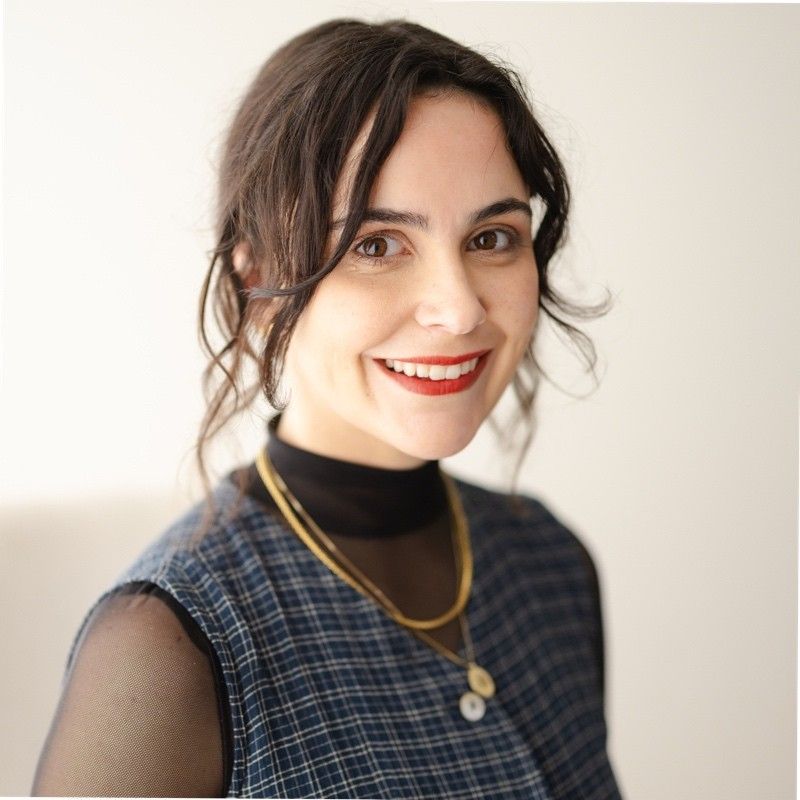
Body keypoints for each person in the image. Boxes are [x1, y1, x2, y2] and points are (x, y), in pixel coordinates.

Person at [32, 18, 621, 799]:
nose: (458, 309)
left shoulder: (549, 562)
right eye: (376, 245)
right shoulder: (166, 648)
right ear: (258, 287)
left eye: (490, 237)